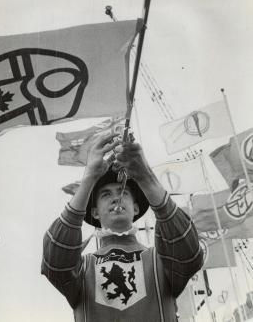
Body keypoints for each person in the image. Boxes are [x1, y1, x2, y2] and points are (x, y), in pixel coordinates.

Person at [42, 131, 203, 321]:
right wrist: (89, 178)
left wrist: (145, 176)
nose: (116, 197)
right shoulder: (81, 267)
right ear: (94, 212)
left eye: (123, 192)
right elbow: (55, 263)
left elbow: (189, 253)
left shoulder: (160, 259)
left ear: (135, 208)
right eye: (105, 195)